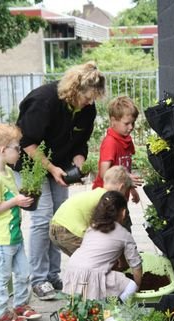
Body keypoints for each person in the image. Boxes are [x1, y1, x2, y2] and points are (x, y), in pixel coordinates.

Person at [12, 61, 106, 300]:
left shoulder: (87, 109)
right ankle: (39, 279)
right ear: (74, 91)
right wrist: (52, 169)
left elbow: (80, 143)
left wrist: (77, 164)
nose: (89, 103)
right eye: (86, 98)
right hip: (31, 162)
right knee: (42, 219)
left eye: (93, 99)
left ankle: (54, 275)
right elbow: (27, 142)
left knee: (58, 219)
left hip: (59, 163)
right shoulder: (44, 101)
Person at [0, 123, 42, 321]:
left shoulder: (7, 172)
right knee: (2, 277)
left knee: (24, 272)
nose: (19, 151)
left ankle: (20, 305)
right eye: (16, 148)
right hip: (2, 239)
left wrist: (21, 199)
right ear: (2, 150)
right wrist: (15, 202)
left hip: (15, 235)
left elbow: (12, 197)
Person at [62, 191, 143, 301]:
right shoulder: (124, 234)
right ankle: (116, 310)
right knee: (131, 286)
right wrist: (138, 286)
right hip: (92, 276)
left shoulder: (92, 227)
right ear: (123, 213)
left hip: (72, 270)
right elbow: (136, 265)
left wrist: (122, 264)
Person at [49, 165, 133, 256]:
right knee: (96, 258)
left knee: (81, 260)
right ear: (121, 187)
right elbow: (107, 227)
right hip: (70, 232)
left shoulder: (96, 193)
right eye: (125, 190)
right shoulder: (108, 199)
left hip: (55, 226)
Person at [92, 96, 143, 230]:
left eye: (133, 123)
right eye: (126, 123)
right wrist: (126, 178)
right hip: (107, 200)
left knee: (124, 232)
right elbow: (104, 173)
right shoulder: (110, 143)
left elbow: (126, 168)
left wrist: (132, 190)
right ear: (113, 120)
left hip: (120, 198)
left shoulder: (126, 140)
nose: (131, 127)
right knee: (118, 233)